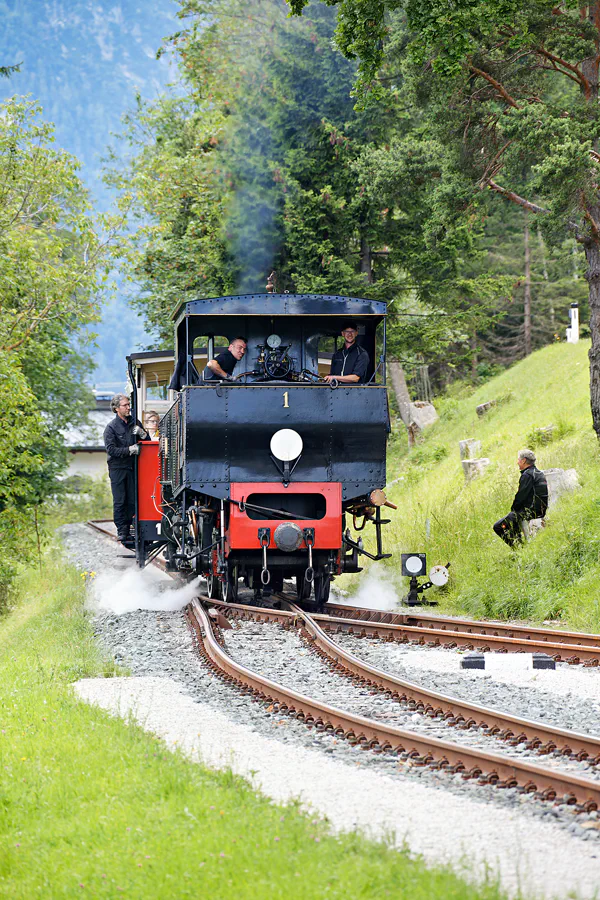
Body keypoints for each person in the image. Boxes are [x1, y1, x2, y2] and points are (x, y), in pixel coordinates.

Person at [103, 394, 149, 545]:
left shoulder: (135, 423)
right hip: (117, 468)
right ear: (117, 409)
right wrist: (129, 450)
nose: (128, 407)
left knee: (132, 498)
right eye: (125, 405)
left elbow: (146, 442)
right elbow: (111, 450)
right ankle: (122, 530)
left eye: (128, 405)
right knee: (120, 499)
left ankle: (132, 526)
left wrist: (143, 434)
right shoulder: (110, 428)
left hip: (132, 467)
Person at [493, 449, 549, 547]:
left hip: (530, 512)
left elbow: (520, 497)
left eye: (518, 460)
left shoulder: (527, 475)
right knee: (513, 518)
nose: (517, 462)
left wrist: (513, 510)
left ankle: (518, 548)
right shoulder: (539, 473)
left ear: (523, 460)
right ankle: (520, 545)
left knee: (498, 526)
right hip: (541, 510)